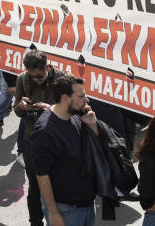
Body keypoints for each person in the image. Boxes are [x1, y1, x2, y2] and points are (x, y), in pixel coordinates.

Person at [30, 74, 99, 226]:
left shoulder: (75, 115)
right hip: (66, 211)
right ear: (65, 98)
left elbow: (95, 150)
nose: (86, 101)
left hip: (87, 204)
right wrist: (53, 213)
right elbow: (42, 176)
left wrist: (92, 125)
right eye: (81, 96)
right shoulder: (45, 132)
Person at [13, 50, 60, 226]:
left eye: (39, 76)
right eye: (32, 77)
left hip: (56, 141)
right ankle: (35, 222)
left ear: (46, 67)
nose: (36, 80)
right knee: (34, 187)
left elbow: (72, 109)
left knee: (57, 186)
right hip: (32, 140)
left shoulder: (61, 79)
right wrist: (22, 107)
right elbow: (16, 110)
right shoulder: (22, 79)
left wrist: (51, 109)